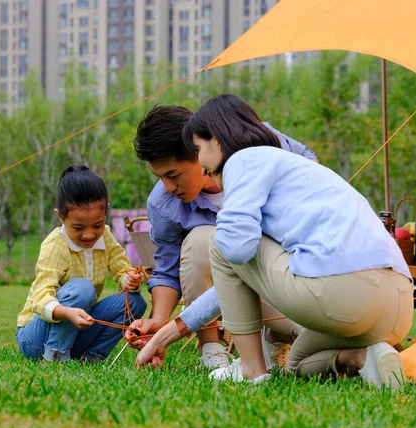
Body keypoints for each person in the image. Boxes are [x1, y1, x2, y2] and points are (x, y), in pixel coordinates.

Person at [137, 94, 413, 388]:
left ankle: (251, 368)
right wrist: (170, 329)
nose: (201, 162)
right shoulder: (291, 162)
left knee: (220, 239)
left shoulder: (243, 160)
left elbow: (234, 252)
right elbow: (241, 271)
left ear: (216, 141)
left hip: (340, 294)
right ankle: (366, 358)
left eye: (197, 147)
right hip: (396, 307)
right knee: (298, 362)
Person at [129, 100, 317, 368]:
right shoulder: (163, 204)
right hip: (232, 289)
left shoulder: (254, 139)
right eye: (160, 177)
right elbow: (167, 270)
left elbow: (309, 162)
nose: (169, 187)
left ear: (199, 151)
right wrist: (159, 324)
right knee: (201, 240)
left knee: (317, 344)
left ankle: (276, 337)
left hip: (285, 276)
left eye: (174, 174)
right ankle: (212, 347)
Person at [16, 165, 147, 363]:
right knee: (82, 288)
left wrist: (130, 279)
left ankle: (91, 357)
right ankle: (55, 355)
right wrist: (66, 313)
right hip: (35, 340)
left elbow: (122, 270)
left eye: (97, 225)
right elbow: (40, 297)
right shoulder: (55, 245)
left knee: (136, 302)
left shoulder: (106, 236)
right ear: (60, 217)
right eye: (78, 227)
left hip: (76, 331)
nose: (89, 234)